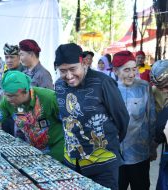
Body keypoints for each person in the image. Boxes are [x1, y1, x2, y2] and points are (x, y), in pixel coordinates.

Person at [54, 43, 129, 190]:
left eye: (73, 69)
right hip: (71, 162)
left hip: (103, 167)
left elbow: (122, 119)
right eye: (63, 71)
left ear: (83, 62)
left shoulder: (103, 82)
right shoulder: (59, 86)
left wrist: (109, 142)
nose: (68, 76)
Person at [0, 71, 64, 162]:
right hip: (35, 151)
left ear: (25, 91)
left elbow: (69, 124)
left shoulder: (49, 98)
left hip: (58, 151)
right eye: (6, 94)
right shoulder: (7, 102)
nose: (8, 99)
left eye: (12, 96)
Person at [112, 50, 156, 190]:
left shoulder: (144, 87)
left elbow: (152, 118)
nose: (132, 74)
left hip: (140, 154)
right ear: (115, 71)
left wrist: (153, 147)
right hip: (115, 156)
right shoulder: (109, 89)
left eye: (134, 69)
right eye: (126, 70)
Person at [150, 60, 168, 190]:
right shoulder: (156, 91)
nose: (164, 91)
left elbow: (162, 123)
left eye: (166, 87)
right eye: (161, 88)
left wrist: (154, 143)